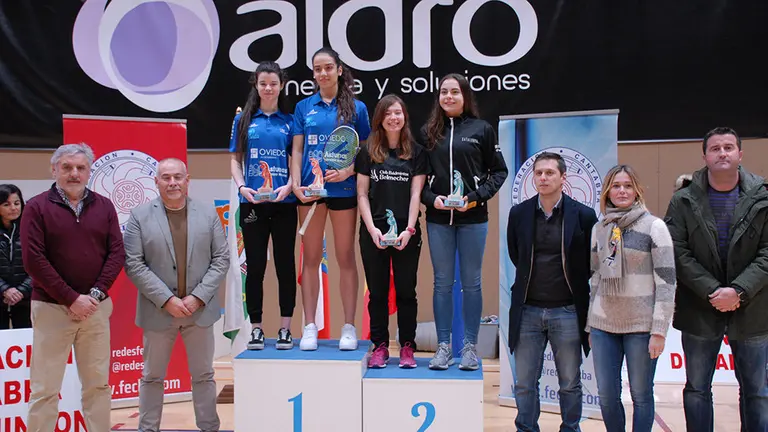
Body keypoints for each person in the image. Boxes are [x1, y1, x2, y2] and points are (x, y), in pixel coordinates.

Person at [664, 127, 768, 432]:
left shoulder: (763, 196)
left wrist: (739, 290)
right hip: (699, 307)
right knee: (697, 389)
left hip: (753, 309)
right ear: (705, 156)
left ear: (740, 154)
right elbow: (677, 252)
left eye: (728, 147)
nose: (722, 153)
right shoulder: (682, 201)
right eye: (715, 149)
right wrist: (712, 290)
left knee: (757, 392)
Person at [21, 143, 125, 432]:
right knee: (44, 390)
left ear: (89, 171)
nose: (74, 173)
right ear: (54, 170)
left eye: (80, 168)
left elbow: (116, 252)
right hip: (52, 310)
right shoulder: (36, 207)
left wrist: (92, 296)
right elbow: (34, 260)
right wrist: (70, 298)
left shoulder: (104, 206)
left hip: (95, 309)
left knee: (98, 387)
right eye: (66, 167)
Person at [124, 158, 229, 432]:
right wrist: (167, 300)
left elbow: (221, 259)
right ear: (156, 181)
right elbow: (133, 263)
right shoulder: (139, 216)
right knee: (151, 377)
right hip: (158, 312)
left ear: (187, 180)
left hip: (199, 312)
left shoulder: (207, 214)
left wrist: (197, 298)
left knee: (204, 376)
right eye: (166, 177)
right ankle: (147, 429)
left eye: (178, 177)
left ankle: (209, 428)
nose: (172, 183)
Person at [419, 73, 508, 370]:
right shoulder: (429, 132)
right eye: (444, 92)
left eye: (454, 92)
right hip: (438, 219)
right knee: (442, 283)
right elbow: (419, 181)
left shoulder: (482, 129)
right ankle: (443, 347)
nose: (448, 97)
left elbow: (499, 172)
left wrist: (476, 197)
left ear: (465, 96)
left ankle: (470, 348)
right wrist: (433, 200)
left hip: (473, 219)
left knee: (471, 283)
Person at [506, 152, 598, 431]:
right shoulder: (519, 213)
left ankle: (570, 428)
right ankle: (526, 428)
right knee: (524, 383)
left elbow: (589, 262)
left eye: (549, 173)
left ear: (563, 177)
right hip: (527, 311)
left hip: (568, 311)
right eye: (539, 173)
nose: (543, 178)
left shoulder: (583, 215)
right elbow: (515, 254)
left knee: (569, 382)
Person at [291, 47, 371, 351]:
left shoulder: (357, 108)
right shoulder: (303, 108)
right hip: (311, 192)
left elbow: (366, 150)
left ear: (339, 70)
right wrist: (296, 181)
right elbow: (297, 149)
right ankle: (310, 325)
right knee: (310, 259)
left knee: (345, 257)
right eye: (317, 69)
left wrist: (349, 171)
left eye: (328, 67)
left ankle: (349, 326)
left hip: (344, 191)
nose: (322, 73)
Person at [588, 164, 676, 432]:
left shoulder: (654, 226)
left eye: (627, 186)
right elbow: (595, 278)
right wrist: (589, 324)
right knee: (606, 396)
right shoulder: (600, 228)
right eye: (616, 186)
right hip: (603, 326)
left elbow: (667, 281)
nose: (622, 191)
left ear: (637, 191)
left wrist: (659, 330)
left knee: (641, 395)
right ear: (607, 192)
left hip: (641, 327)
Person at [355, 94, 427, 368]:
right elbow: (361, 194)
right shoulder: (367, 152)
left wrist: (408, 230)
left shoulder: (417, 153)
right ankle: (380, 346)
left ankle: (407, 347)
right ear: (380, 119)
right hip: (373, 234)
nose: (394, 118)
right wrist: (372, 229)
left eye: (398, 113)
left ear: (404, 117)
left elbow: (415, 194)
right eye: (388, 113)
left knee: (408, 291)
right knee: (378, 292)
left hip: (406, 234)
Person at [230, 61, 297, 350]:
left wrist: (290, 185)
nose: (268, 88)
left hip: (284, 202)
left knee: (285, 265)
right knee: (255, 266)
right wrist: (243, 187)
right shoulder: (243, 120)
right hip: (253, 203)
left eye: (273, 83)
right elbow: (235, 159)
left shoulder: (290, 120)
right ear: (256, 86)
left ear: (281, 85)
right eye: (262, 84)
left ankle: (285, 328)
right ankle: (256, 328)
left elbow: (296, 159)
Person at [0, 184, 32, 329]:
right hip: (1, 295)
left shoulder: (32, 228)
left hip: (26, 298)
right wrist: (5, 289)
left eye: (17, 203)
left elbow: (41, 264)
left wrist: (21, 290)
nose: (13, 208)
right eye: (7, 204)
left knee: (28, 342)